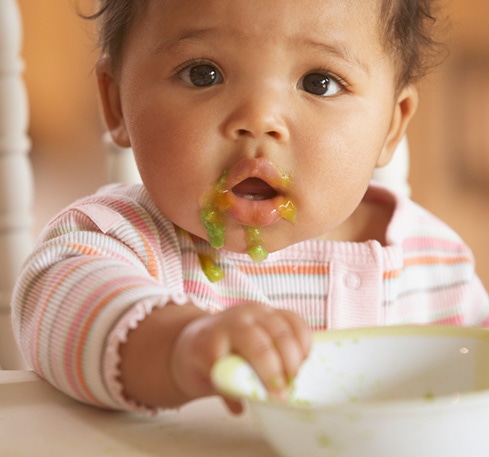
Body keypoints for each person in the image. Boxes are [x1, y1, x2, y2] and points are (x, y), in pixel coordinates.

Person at [12, 0, 489, 415]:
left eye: (319, 82)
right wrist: (182, 344)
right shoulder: (120, 240)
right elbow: (54, 308)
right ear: (116, 103)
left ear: (391, 125)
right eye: (204, 74)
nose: (259, 119)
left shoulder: (435, 266)